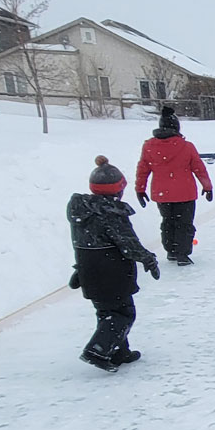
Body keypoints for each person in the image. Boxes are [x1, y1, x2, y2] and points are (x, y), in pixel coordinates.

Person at [68, 155, 161, 372]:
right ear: (118, 189)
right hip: (111, 271)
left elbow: (84, 242)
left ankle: (119, 352)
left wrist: (78, 268)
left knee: (106, 312)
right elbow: (128, 243)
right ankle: (97, 351)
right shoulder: (111, 214)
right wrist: (148, 258)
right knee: (123, 313)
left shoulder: (81, 210)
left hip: (89, 269)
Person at [135, 105, 213, 266]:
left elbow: (143, 169)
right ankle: (182, 254)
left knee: (168, 221)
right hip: (185, 193)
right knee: (184, 223)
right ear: (176, 127)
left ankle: (171, 250)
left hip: (162, 193)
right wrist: (207, 186)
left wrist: (140, 189)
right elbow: (199, 168)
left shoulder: (149, 146)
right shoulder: (186, 146)